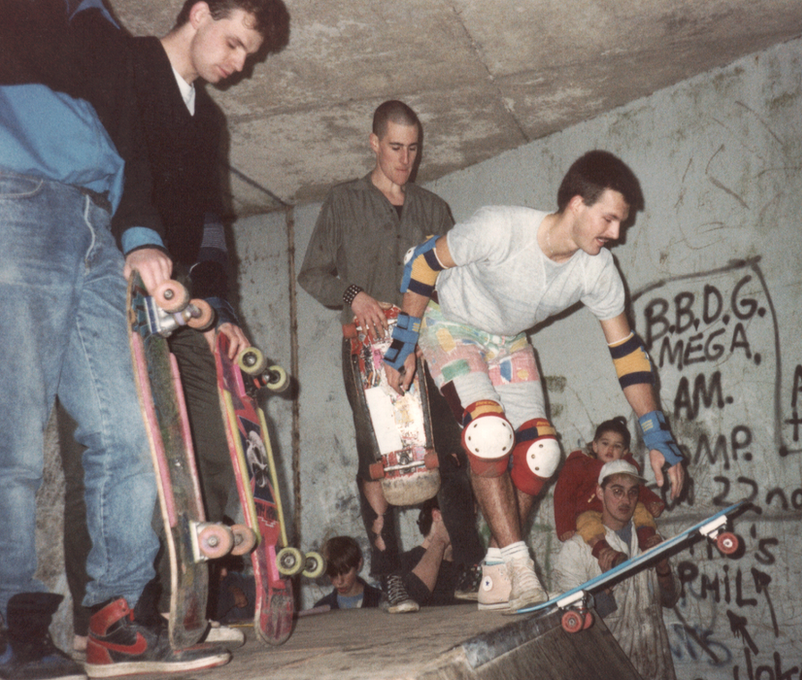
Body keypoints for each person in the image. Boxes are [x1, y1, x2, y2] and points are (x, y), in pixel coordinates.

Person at [0, 1, 229, 677]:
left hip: (98, 224)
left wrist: (141, 236)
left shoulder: (103, 30)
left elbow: (127, 142)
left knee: (130, 433)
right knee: (13, 437)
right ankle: (13, 627)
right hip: (16, 196)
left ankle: (112, 618)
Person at [56, 0, 290, 652]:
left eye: (248, 54)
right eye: (234, 42)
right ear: (198, 11)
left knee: (207, 453)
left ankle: (181, 606)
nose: (238, 64)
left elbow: (212, 220)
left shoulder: (208, 119)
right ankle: (98, 618)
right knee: (109, 446)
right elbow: (107, 177)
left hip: (183, 297)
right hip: (112, 274)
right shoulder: (124, 64)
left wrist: (223, 312)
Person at [386, 150, 687, 613]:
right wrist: (405, 339)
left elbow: (627, 353)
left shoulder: (598, 269)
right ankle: (521, 566)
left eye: (621, 224)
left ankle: (495, 568)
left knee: (543, 453)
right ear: (575, 204)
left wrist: (656, 433)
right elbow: (423, 263)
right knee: (488, 434)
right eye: (609, 220)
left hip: (508, 341)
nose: (616, 234)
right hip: (451, 324)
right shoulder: (501, 228)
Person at [298, 100, 485, 614]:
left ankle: (471, 561)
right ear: (374, 143)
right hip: (367, 348)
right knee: (375, 462)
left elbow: (459, 283)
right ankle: (389, 574)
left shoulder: (434, 208)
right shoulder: (343, 202)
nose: (405, 159)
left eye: (414, 149)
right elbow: (312, 274)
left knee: (453, 451)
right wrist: (353, 294)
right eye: (395, 147)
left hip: (429, 341)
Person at [553, 460, 678, 680]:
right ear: (599, 493)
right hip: (607, 669)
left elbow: (670, 599)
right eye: (617, 492)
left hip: (657, 666)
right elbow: (571, 626)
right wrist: (605, 588)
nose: (626, 500)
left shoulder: (651, 539)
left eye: (632, 493)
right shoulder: (576, 549)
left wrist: (663, 567)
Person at [554, 416, 666, 571]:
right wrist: (564, 526)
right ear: (594, 445)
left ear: (625, 451)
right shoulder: (580, 465)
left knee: (640, 509)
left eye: (617, 446)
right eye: (605, 444)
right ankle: (605, 551)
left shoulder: (625, 467)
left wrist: (653, 502)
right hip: (588, 510)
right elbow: (563, 495)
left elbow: (639, 491)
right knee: (587, 523)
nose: (610, 450)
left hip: (618, 510)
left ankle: (647, 541)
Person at [312, 537, 383, 611]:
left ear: (359, 564)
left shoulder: (381, 600)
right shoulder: (320, 608)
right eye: (333, 574)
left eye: (345, 572)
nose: (339, 582)